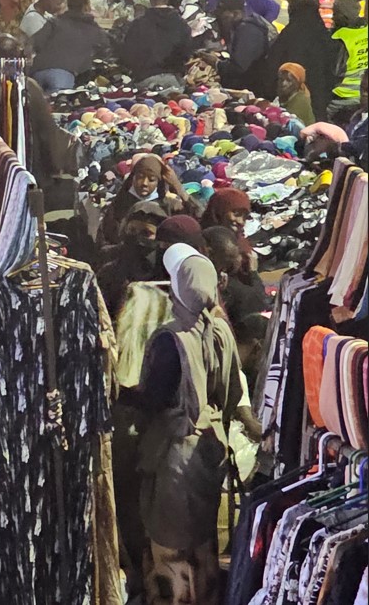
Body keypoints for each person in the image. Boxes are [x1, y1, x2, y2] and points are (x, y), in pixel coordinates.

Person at [129, 244, 243, 605]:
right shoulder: (221, 331)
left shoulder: (170, 339)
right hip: (212, 449)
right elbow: (231, 393)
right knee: (203, 544)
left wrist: (119, 392)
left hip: (176, 454)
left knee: (173, 551)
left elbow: (153, 400)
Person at [99, 154, 194, 246]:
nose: (144, 183)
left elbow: (197, 219)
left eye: (151, 179)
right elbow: (105, 237)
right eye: (140, 177)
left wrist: (178, 187)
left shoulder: (170, 205)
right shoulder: (119, 204)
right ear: (133, 178)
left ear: (158, 182)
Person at [268, 0, 337, 121]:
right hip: (319, 91)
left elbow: (273, 61)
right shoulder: (323, 35)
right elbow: (333, 66)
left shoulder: (289, 33)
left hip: (291, 90)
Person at [121, 0, 196, 90]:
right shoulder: (182, 24)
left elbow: (128, 55)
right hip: (174, 81)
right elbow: (186, 54)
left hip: (144, 82)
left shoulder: (138, 24)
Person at [97, 201, 169, 316]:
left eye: (146, 233)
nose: (137, 237)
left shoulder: (167, 267)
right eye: (132, 230)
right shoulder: (110, 261)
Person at [31, 0, 110, 91]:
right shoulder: (93, 29)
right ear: (86, 7)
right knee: (58, 105)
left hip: (38, 72)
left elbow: (36, 42)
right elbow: (105, 48)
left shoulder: (55, 22)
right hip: (64, 75)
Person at [202, 0, 275, 98]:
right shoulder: (242, 27)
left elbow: (239, 67)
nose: (221, 18)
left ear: (235, 13)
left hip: (252, 90)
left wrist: (216, 63)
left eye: (223, 14)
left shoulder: (247, 30)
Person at [203, 225, 268, 327]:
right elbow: (259, 302)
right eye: (228, 261)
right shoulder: (231, 289)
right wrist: (253, 273)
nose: (239, 260)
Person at [329, 0, 368, 123]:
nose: (333, 18)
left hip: (344, 96)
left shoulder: (340, 38)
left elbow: (336, 72)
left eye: (336, 13)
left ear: (344, 16)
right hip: (363, 92)